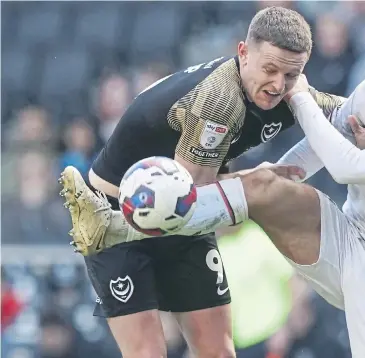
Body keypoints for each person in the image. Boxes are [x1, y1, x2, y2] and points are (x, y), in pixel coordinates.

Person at [59, 7, 345, 358]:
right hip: (115, 217)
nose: (277, 85)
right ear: (243, 53)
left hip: (182, 212)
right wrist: (255, 183)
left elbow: (344, 114)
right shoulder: (219, 100)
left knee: (219, 353)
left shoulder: (288, 92)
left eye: (291, 74)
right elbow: (187, 200)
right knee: (147, 354)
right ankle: (115, 229)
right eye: (269, 69)